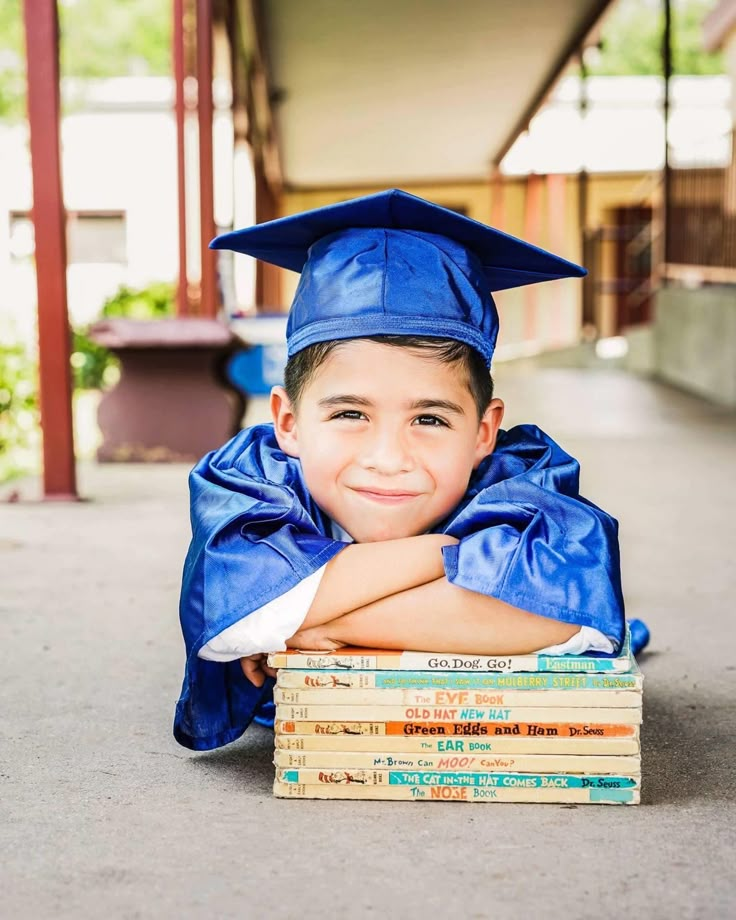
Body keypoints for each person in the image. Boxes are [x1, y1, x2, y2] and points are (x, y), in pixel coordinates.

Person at [174, 189, 643, 752]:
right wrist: (442, 554)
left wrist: (320, 626)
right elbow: (235, 613)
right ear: (289, 422)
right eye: (350, 414)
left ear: (484, 432)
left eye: (430, 418)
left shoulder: (519, 478)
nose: (389, 458)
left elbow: (567, 611)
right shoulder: (247, 480)